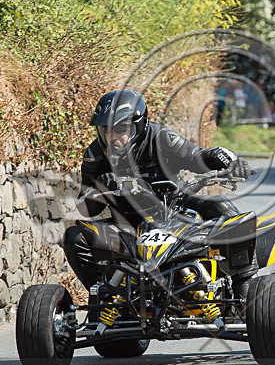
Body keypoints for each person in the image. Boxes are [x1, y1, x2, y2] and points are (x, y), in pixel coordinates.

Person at [64, 90, 257, 321]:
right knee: (75, 237)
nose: (112, 138)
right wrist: (99, 191)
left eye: (120, 130)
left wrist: (223, 158)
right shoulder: (95, 155)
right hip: (128, 223)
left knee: (223, 208)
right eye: (105, 131)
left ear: (139, 124)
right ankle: (106, 300)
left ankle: (243, 288)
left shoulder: (161, 138)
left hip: (176, 206)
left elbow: (197, 157)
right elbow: (86, 209)